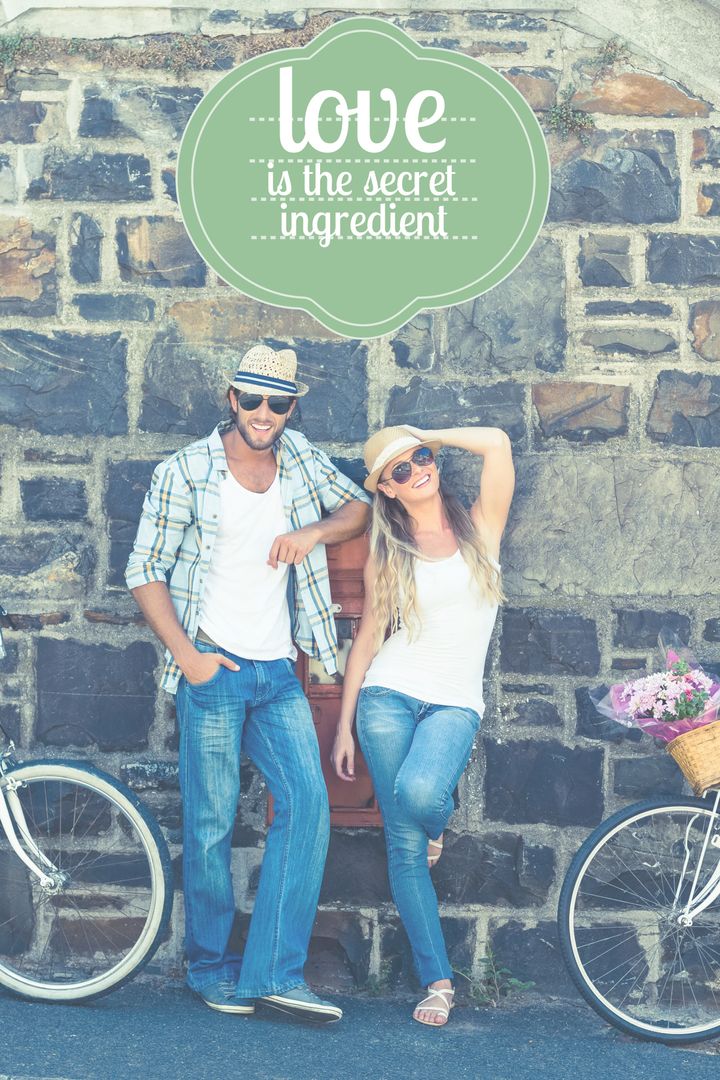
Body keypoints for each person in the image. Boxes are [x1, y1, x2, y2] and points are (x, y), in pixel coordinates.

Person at [126, 344, 371, 1023]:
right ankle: (208, 968)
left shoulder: (299, 459)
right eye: (254, 399)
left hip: (277, 673)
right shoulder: (187, 470)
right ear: (232, 400)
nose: (266, 413)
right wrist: (191, 657)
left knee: (308, 804)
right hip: (212, 668)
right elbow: (144, 571)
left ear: (292, 408)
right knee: (210, 825)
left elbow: (360, 509)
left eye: (280, 402)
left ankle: (273, 973)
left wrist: (311, 531)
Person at [331, 423, 514, 1027]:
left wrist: (423, 432)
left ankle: (437, 815)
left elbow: (497, 443)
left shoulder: (481, 527)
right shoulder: (392, 548)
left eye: (422, 458)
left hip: (455, 702)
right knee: (403, 849)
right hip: (388, 694)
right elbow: (366, 640)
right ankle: (438, 983)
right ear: (386, 489)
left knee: (418, 795)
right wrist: (343, 725)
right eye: (400, 470)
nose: (417, 471)